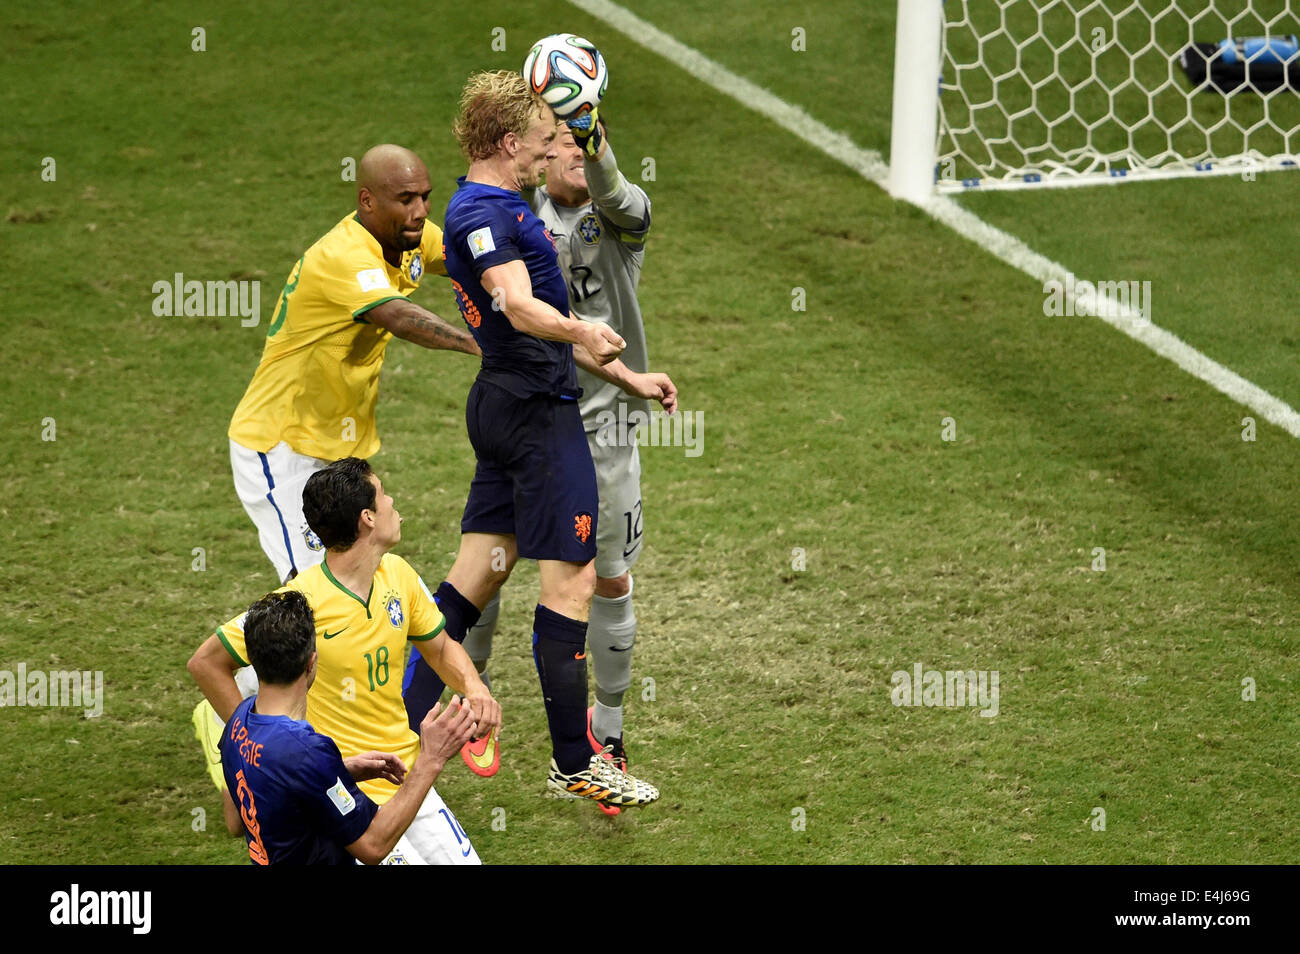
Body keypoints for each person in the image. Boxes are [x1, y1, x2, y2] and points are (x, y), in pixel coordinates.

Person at [401, 70, 674, 809]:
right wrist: (581, 326)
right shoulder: (485, 213)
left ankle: (401, 727)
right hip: (536, 417)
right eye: (541, 139)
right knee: (574, 581)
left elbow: (545, 326)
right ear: (507, 141)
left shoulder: (495, 205)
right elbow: (522, 308)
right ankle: (573, 761)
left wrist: (629, 377)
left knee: (471, 581)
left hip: (512, 400)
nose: (549, 149)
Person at [195, 144, 479, 789]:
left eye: (425, 197)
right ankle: (240, 733)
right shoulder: (342, 257)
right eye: (405, 199)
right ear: (366, 201)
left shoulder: (407, 237)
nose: (419, 211)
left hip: (336, 448)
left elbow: (461, 252)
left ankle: (274, 711)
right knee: (317, 598)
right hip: (282, 447)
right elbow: (396, 315)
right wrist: (483, 344)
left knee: (340, 596)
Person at [458, 109, 654, 816]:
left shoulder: (624, 215)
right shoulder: (517, 209)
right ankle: (470, 694)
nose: (571, 151)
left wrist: (595, 132)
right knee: (495, 562)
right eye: (560, 141)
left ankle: (608, 735)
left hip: (607, 436)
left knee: (607, 580)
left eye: (584, 142)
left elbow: (613, 182)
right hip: (539, 416)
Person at [189, 457, 499, 863]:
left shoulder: (400, 576)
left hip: (403, 773)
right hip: (343, 786)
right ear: (368, 518)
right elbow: (206, 663)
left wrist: (475, 689)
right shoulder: (299, 605)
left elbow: (438, 646)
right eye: (384, 494)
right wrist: (252, 741)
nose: (393, 502)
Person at [219, 589, 478, 865]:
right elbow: (374, 845)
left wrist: (340, 772)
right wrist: (431, 758)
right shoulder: (305, 751)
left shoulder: (237, 722)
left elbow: (236, 820)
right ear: (312, 663)